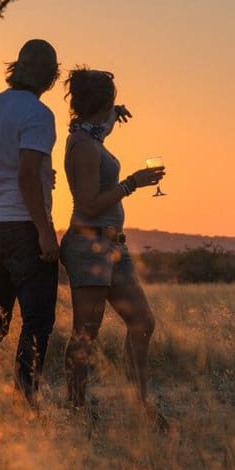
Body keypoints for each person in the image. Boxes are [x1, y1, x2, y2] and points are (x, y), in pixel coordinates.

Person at [57, 68, 167, 410]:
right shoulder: (84, 146)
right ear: (103, 101)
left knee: (142, 322)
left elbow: (98, 127)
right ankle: (76, 408)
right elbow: (89, 205)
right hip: (89, 246)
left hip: (112, 247)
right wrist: (132, 183)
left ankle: (138, 405)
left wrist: (114, 115)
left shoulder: (87, 133)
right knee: (86, 336)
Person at [0, 37, 63, 402]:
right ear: (51, 77)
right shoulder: (39, 114)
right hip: (23, 227)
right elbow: (24, 175)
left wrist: (41, 173)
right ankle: (25, 405)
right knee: (38, 323)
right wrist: (45, 232)